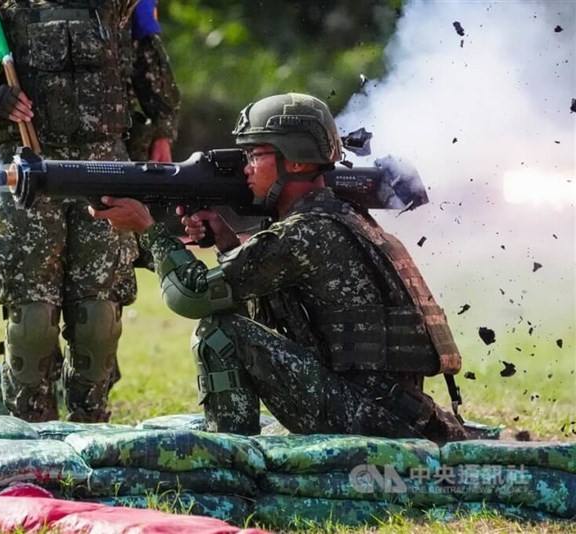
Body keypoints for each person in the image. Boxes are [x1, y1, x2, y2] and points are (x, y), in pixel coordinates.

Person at [92, 92, 468, 442]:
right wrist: (225, 242)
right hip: (389, 411)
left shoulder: (305, 232)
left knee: (220, 333)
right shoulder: (341, 217)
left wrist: (148, 230)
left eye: (256, 155)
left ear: (297, 159)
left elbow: (194, 297)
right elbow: (269, 299)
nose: (246, 169)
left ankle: (231, 461)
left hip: (367, 417)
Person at [0, 0, 180, 422]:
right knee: (31, 321)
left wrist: (161, 127)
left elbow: (147, 58)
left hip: (104, 168)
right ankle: (31, 438)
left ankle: (91, 432)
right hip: (27, 170)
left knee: (98, 322)